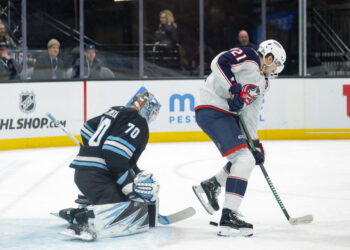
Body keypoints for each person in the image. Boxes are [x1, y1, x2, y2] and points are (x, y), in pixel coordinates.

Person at [192, 40, 286, 237]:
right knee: (244, 159)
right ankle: (229, 216)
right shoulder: (250, 57)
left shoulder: (263, 83)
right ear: (268, 58)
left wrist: (255, 143)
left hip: (225, 113)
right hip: (211, 107)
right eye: (276, 63)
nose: (277, 69)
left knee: (248, 155)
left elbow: (251, 113)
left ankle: (212, 185)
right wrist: (233, 88)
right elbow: (218, 62)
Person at [59, 91, 161, 241]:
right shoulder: (138, 120)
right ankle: (85, 221)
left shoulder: (115, 110)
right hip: (98, 177)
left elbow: (87, 128)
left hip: (84, 173)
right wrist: (127, 183)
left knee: (124, 202)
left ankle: (81, 210)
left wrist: (94, 150)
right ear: (147, 108)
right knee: (128, 209)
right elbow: (114, 153)